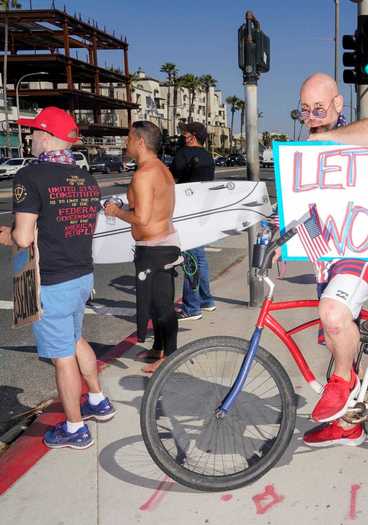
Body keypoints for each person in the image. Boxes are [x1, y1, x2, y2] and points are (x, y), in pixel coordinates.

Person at [289, 72, 368, 448]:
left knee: (333, 314)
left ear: (338, 105)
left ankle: (342, 384)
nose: (312, 117)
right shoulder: (306, 153)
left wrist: (328, 137)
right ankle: (349, 424)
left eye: (319, 108)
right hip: (330, 259)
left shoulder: (352, 135)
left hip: (363, 250)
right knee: (338, 341)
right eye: (304, 111)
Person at [0, 107, 115, 449]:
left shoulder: (31, 177)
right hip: (81, 274)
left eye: (34, 132)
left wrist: (3, 234)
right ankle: (97, 401)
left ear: (48, 137)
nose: (30, 137)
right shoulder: (85, 177)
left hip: (49, 280)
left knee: (61, 356)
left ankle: (75, 428)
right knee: (76, 338)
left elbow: (22, 238)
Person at [104, 121, 179, 374]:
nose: (125, 144)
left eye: (128, 139)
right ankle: (158, 347)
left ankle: (170, 357)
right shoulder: (161, 169)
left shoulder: (144, 174)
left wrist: (116, 211)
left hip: (155, 247)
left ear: (140, 141)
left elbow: (143, 218)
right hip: (162, 242)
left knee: (162, 306)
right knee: (158, 302)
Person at [170, 122, 216, 321]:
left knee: (191, 260)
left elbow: (170, 179)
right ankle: (206, 300)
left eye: (185, 134)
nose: (182, 136)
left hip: (185, 210)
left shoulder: (183, 154)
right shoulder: (208, 156)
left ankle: (192, 307)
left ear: (193, 136)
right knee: (200, 258)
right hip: (202, 209)